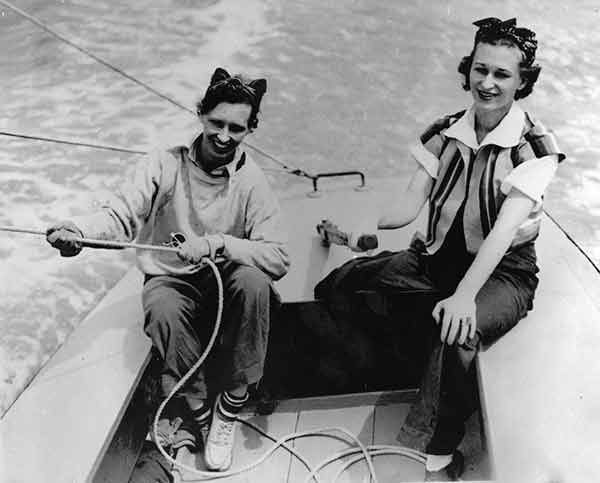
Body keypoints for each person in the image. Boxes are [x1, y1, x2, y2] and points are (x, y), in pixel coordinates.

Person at [315, 17, 564, 481]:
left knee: (457, 334)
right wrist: (364, 224)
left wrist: (467, 295)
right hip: (432, 261)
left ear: (523, 81)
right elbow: (409, 206)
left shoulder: (534, 149)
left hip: (501, 274)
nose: (487, 83)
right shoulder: (445, 129)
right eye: (480, 69)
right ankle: (405, 358)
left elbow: (501, 235)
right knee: (339, 283)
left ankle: (441, 448)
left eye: (502, 74)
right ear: (468, 68)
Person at [46, 67, 289, 473]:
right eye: (217, 123)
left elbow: (278, 257)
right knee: (160, 307)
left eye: (237, 128)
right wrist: (80, 232)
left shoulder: (253, 183)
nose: (225, 136)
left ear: (250, 130)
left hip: (225, 282)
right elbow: (122, 215)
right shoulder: (163, 163)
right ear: (201, 116)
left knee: (255, 281)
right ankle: (199, 409)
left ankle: (230, 404)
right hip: (173, 277)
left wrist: (216, 243)